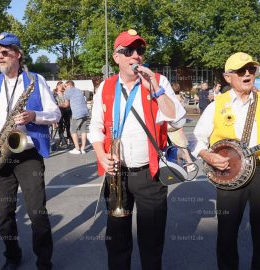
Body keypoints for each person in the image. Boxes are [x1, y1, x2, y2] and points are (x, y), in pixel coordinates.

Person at [192, 52, 260, 270]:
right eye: (241, 71)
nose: (248, 74)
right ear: (227, 77)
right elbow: (197, 140)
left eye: (251, 70)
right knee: (227, 235)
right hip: (229, 172)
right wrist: (208, 155)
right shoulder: (216, 105)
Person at [88, 29, 186, 270]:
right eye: (128, 51)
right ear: (116, 57)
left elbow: (177, 120)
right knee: (117, 241)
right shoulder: (106, 87)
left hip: (150, 173)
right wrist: (101, 154)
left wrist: (155, 88)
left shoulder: (158, 81)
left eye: (139, 50)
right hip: (116, 173)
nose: (135, 55)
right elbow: (95, 128)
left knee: (151, 242)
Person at [0, 32, 60, 270]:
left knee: (37, 214)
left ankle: (44, 261)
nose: (0, 57)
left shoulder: (36, 80)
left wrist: (35, 116)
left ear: (18, 54)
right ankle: (12, 256)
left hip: (28, 155)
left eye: (5, 52)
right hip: (0, 153)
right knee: (4, 213)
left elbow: (55, 113)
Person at [63, 80, 89, 154]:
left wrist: (58, 106)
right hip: (85, 112)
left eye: (65, 86)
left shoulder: (68, 91)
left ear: (69, 85)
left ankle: (77, 148)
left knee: (73, 130)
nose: (65, 88)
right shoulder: (79, 91)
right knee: (83, 130)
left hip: (77, 113)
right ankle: (83, 149)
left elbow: (66, 105)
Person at [54, 81, 72, 148]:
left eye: (63, 86)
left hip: (67, 110)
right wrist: (62, 105)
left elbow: (68, 103)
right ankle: (63, 140)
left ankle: (69, 139)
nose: (62, 87)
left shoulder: (66, 93)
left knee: (68, 125)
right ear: (57, 87)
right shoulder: (54, 94)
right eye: (60, 86)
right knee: (60, 126)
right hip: (59, 111)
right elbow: (55, 104)